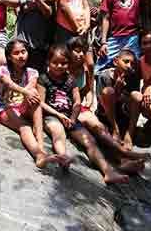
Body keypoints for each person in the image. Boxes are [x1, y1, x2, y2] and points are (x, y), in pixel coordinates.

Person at [38, 45, 129, 185]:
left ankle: (107, 171)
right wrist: (59, 115)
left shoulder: (70, 80)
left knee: (89, 141)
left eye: (63, 63)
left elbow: (77, 102)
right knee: (58, 133)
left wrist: (73, 118)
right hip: (52, 115)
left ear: (68, 64)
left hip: (70, 116)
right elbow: (41, 103)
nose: (59, 66)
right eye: (55, 63)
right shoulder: (43, 79)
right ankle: (63, 157)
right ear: (48, 62)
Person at [68, 38, 149, 169]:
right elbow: (103, 100)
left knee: (100, 130)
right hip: (96, 112)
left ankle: (124, 153)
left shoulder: (85, 69)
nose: (129, 66)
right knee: (99, 131)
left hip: (111, 111)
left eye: (83, 51)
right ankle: (122, 157)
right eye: (77, 51)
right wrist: (117, 90)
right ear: (116, 61)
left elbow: (88, 91)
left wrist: (88, 101)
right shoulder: (103, 76)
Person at [0, 39, 64, 169]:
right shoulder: (2, 70)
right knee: (25, 127)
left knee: (33, 93)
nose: (21, 56)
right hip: (5, 109)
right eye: (16, 53)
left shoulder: (32, 72)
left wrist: (28, 93)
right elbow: (9, 84)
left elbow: (31, 90)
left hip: (22, 108)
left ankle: (41, 147)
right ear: (9, 57)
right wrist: (26, 92)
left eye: (23, 51)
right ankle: (39, 155)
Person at [95, 0, 151, 73]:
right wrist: (104, 42)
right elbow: (106, 18)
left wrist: (147, 37)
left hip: (133, 37)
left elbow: (146, 17)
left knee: (133, 67)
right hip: (114, 38)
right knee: (99, 68)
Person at [15, 0, 57, 73]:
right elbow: (26, 8)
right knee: (21, 70)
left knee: (37, 72)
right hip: (23, 39)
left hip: (40, 42)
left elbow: (47, 13)